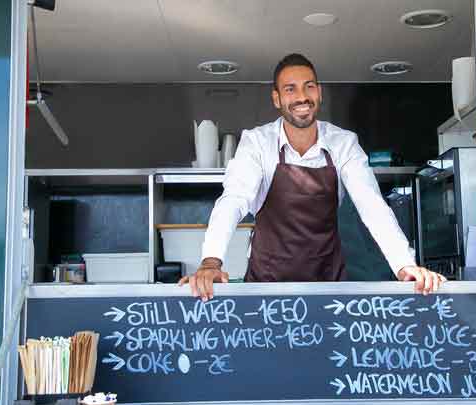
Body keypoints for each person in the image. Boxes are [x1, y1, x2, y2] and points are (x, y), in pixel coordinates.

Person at [180, 53, 446, 301]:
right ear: (276, 99)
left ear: (319, 92)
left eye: (309, 86)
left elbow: (373, 206)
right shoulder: (257, 143)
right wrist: (211, 262)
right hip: (267, 288)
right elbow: (234, 200)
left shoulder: (343, 144)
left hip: (328, 287)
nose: (302, 97)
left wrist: (404, 265)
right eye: (290, 89)